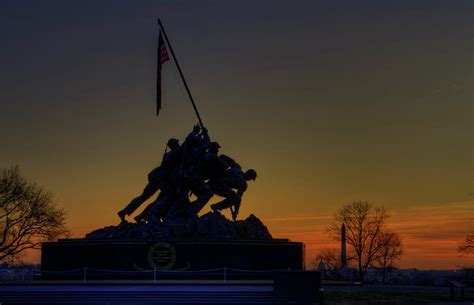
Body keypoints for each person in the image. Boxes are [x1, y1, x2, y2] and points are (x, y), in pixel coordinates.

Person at [117, 138, 180, 222]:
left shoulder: (169, 154)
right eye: (177, 143)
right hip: (161, 179)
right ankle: (146, 214)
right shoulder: (174, 153)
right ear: (174, 145)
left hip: (156, 176)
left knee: (143, 197)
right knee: (169, 194)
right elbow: (184, 147)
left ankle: (125, 212)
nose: (179, 144)